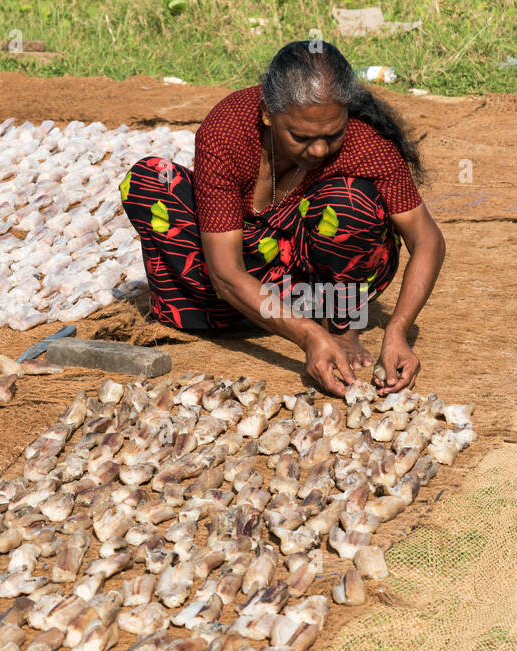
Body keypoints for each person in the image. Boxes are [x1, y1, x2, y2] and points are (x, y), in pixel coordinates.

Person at [119, 40, 444, 396]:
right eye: (301, 137)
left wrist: (396, 330)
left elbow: (426, 239)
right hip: (231, 278)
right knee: (149, 179)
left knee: (350, 202)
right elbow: (226, 274)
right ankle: (263, 315)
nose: (319, 149)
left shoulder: (366, 144)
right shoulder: (226, 131)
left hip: (312, 285)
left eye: (332, 134)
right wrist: (307, 336)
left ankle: (340, 326)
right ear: (267, 113)